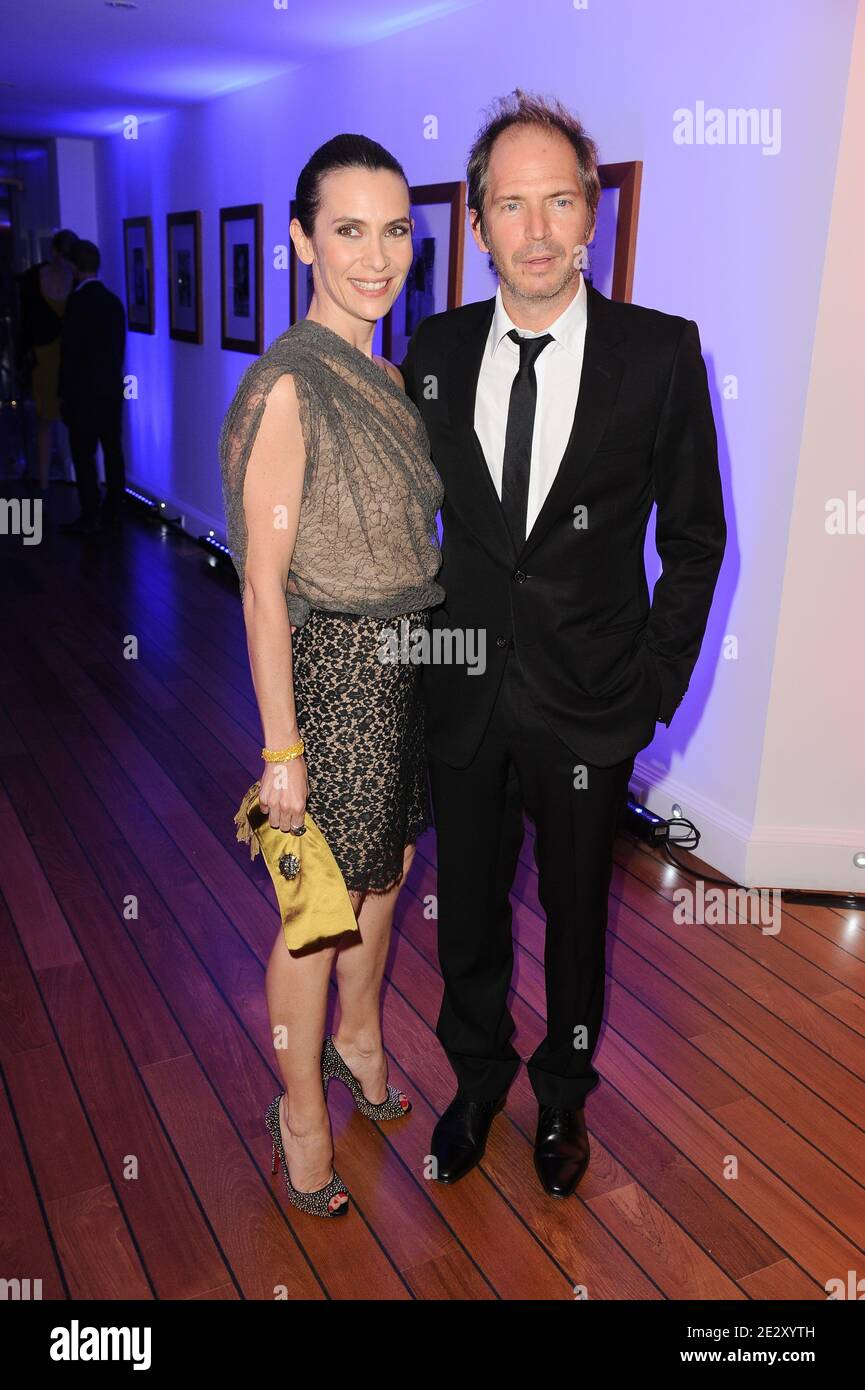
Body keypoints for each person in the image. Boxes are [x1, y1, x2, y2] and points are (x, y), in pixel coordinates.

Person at [399, 90, 727, 1197]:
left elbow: (694, 540)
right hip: (463, 696)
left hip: (592, 700)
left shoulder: (659, 356)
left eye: (557, 203)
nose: (535, 232)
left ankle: (563, 1100)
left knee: (579, 924)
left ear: (590, 213)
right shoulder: (433, 349)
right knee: (469, 913)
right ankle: (479, 1077)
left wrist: (650, 693)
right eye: (509, 205)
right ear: (479, 224)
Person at [218, 135, 444, 1218]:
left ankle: (359, 1035)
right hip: (336, 675)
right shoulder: (289, 388)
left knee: (389, 875)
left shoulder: (389, 376)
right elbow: (263, 586)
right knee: (319, 908)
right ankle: (299, 1106)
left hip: (406, 663)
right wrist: (281, 753)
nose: (375, 254)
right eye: (347, 229)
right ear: (302, 240)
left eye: (394, 228)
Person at [58, 240, 127, 535]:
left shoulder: (76, 303)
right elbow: (118, 350)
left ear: (74, 267)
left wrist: (64, 392)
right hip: (110, 390)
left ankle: (90, 513)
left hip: (82, 393)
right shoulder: (113, 302)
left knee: (84, 455)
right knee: (113, 450)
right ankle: (114, 509)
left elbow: (70, 354)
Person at [15, 229, 79, 500]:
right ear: (54, 252)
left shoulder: (76, 281)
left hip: (71, 358)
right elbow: (24, 321)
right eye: (64, 255)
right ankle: (42, 480)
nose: (66, 261)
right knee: (44, 419)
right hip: (43, 356)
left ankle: (72, 474)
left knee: (73, 419)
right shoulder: (32, 279)